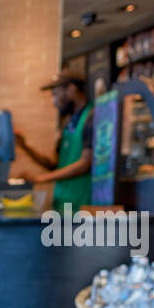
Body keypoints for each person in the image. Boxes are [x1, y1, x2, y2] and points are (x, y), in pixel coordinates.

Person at [15, 73, 93, 212]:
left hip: (83, 204)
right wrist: (25, 147)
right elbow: (56, 166)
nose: (54, 101)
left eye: (56, 94)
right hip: (62, 203)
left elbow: (85, 164)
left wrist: (40, 179)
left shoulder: (91, 117)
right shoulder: (67, 124)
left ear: (72, 89)